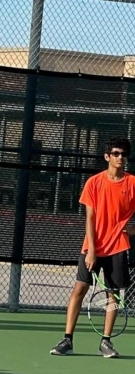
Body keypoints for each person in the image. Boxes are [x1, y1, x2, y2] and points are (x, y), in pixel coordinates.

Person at [50, 137, 135, 358]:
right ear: (107, 156)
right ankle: (67, 339)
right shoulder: (94, 183)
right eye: (115, 153)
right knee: (79, 290)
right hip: (93, 247)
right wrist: (92, 250)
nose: (120, 157)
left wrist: (132, 231)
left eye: (123, 154)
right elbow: (90, 218)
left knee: (113, 296)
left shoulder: (132, 183)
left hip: (118, 247)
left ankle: (106, 342)